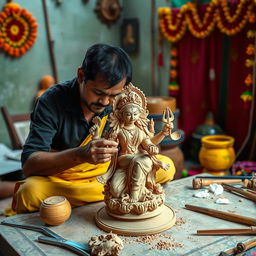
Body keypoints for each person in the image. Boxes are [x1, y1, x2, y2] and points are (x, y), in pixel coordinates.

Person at [9, 43, 175, 215]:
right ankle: (107, 194)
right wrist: (81, 154)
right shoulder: (51, 101)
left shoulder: (120, 104)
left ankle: (107, 194)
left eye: (113, 95)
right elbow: (29, 165)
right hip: (63, 178)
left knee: (167, 166)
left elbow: (139, 148)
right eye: (98, 93)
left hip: (108, 173)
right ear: (81, 75)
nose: (105, 102)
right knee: (28, 192)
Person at [96, 85, 175, 215]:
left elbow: (148, 143)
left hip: (139, 161)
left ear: (140, 114)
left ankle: (134, 194)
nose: (132, 117)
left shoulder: (140, 131)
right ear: (121, 114)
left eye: (135, 113)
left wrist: (159, 137)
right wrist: (97, 137)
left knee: (140, 160)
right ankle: (136, 192)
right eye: (128, 114)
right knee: (115, 190)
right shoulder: (118, 131)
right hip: (123, 161)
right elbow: (108, 145)